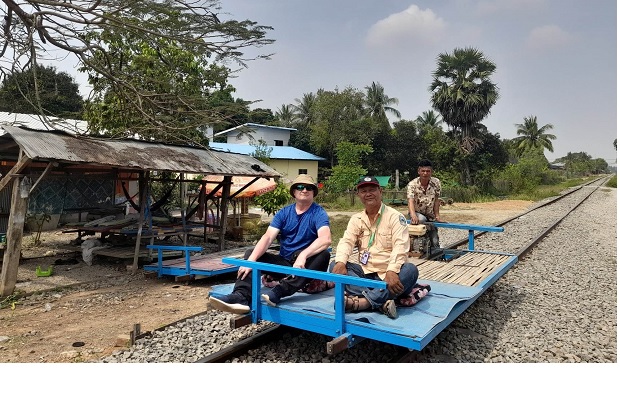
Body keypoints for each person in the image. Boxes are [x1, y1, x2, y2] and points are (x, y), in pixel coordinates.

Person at [208, 174, 332, 314]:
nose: (304, 190)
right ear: (294, 191)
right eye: (300, 187)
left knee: (323, 254)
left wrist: (303, 255)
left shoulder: (318, 213)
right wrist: (250, 262)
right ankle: (241, 296)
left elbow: (325, 239)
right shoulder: (284, 213)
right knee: (251, 254)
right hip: (285, 263)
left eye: (309, 187)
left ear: (313, 192)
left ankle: (281, 290)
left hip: (306, 265)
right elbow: (267, 237)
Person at [329, 176, 419, 319]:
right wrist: (340, 262)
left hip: (388, 275)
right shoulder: (356, 219)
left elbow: (400, 246)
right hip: (365, 273)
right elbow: (347, 241)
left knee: (410, 271)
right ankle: (380, 301)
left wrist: (392, 270)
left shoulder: (395, 217)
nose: (368, 194)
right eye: (364, 191)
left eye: (372, 190)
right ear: (358, 195)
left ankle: (363, 302)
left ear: (380, 191)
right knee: (334, 264)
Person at [407, 159, 443, 224]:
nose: (425, 173)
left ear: (431, 172)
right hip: (417, 213)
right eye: (423, 171)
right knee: (421, 219)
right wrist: (413, 215)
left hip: (430, 215)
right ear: (419, 171)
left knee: (434, 234)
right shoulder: (412, 184)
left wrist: (437, 216)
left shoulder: (436, 183)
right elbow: (410, 201)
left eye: (428, 171)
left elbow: (436, 200)